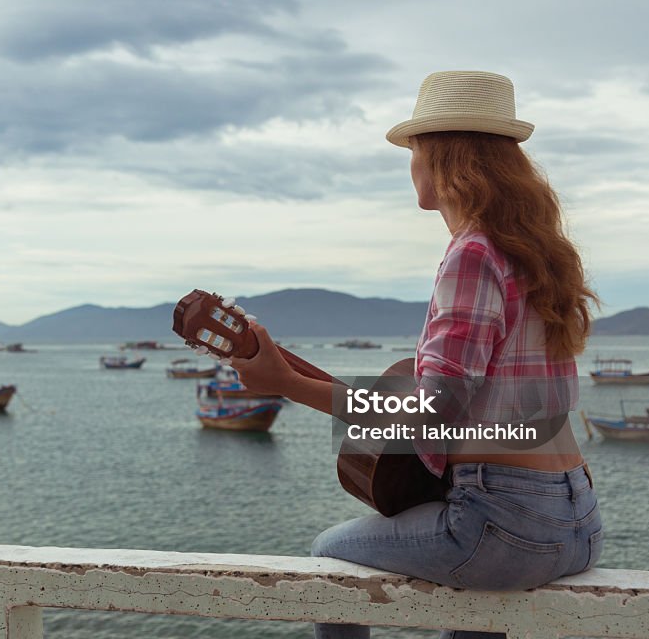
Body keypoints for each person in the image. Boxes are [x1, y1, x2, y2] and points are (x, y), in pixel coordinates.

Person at [230, 71, 603, 639]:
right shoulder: (540, 254)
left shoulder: (473, 253)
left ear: (443, 159)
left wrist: (285, 382)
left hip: (507, 525)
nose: (410, 164)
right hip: (579, 518)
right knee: (473, 601)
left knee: (329, 558)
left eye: (414, 150)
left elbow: (433, 410)